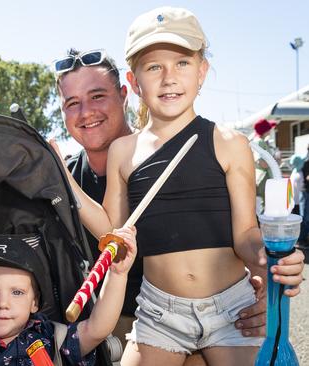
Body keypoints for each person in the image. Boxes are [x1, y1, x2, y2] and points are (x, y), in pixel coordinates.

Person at [88, 7, 305, 365]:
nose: (169, 77)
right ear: (134, 80)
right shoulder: (123, 151)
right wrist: (59, 180)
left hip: (231, 308)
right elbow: (113, 232)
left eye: (182, 63)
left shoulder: (229, 142)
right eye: (154, 67)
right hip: (159, 314)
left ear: (202, 72)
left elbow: (245, 234)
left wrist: (271, 257)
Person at [0, 226, 137, 365]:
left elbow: (97, 330)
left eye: (17, 292)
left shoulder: (51, 338)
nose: (3, 303)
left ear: (34, 303)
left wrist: (118, 275)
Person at [52, 48, 143, 352]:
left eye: (97, 96)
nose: (86, 112)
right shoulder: (65, 172)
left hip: (152, 326)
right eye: (73, 103)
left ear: (123, 95)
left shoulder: (157, 158)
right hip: (86, 327)